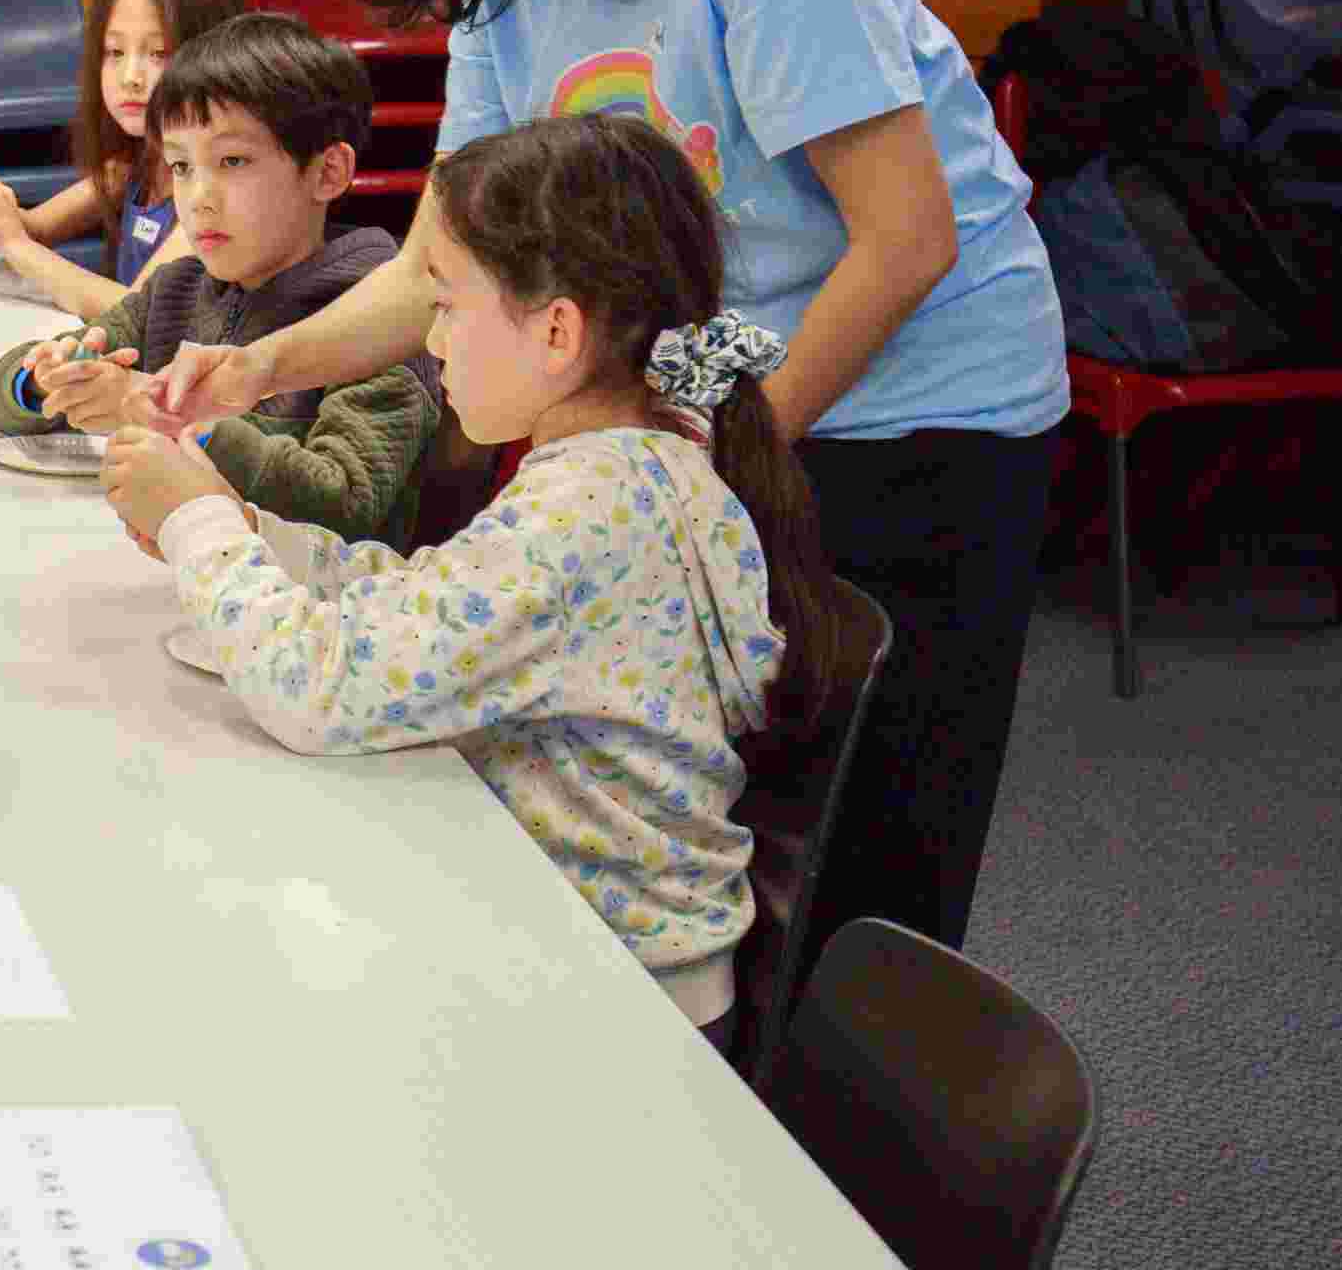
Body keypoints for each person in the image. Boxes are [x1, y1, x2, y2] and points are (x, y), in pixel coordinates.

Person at [154, 0, 1065, 967]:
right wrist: (255, 363)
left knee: (860, 873)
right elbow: (441, 255)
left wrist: (696, 446)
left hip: (915, 397)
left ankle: (841, 1163)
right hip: (715, 386)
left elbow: (907, 237)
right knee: (696, 815)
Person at [106, 114, 864, 1038]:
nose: (430, 341)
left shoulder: (589, 507)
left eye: (446, 305)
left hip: (612, 1007)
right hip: (580, 951)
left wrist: (198, 522)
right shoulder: (637, 460)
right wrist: (260, 539)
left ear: (555, 332)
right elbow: (432, 601)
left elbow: (314, 689)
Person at [0, 16, 442, 543]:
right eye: (180, 167)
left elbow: (345, 501)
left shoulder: (381, 323)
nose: (199, 197)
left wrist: (174, 422)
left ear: (327, 172)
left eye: (232, 160)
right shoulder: (175, 289)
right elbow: (5, 400)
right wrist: (48, 380)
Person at [0, 0, 245, 322]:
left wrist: (12, 241)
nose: (130, 77)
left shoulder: (220, 194)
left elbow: (135, 314)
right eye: (114, 52)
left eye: (159, 53)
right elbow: (36, 229)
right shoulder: (130, 166)